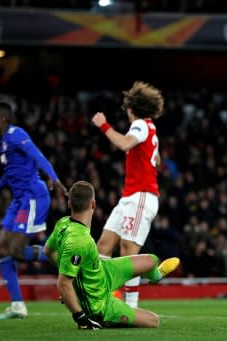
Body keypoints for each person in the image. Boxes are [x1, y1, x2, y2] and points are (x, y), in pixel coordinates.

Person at [43, 180, 180, 329]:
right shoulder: (80, 241)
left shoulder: (63, 223)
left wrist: (70, 275)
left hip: (103, 272)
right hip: (98, 302)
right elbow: (63, 283)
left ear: (69, 204)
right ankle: (107, 315)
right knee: (153, 320)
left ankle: (156, 276)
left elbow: (48, 251)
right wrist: (81, 318)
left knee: (151, 260)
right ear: (93, 204)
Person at [0, 101, 67, 320]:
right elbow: (10, 173)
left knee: (17, 251)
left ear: (1, 118)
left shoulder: (16, 134)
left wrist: (54, 178)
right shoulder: (2, 143)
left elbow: (38, 156)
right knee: (1, 249)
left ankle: (61, 257)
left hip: (33, 198)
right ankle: (17, 305)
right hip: (19, 201)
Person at [91, 81, 164, 308]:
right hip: (131, 196)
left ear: (132, 109)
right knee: (103, 245)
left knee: (128, 252)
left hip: (141, 196)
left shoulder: (141, 126)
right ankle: (100, 297)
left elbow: (124, 144)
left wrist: (104, 126)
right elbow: (157, 160)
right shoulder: (151, 129)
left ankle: (131, 308)